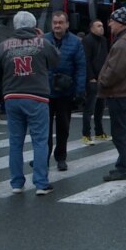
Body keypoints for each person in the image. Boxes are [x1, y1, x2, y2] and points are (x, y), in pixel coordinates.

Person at [0, 11, 59, 195]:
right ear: (34, 25)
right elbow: (55, 60)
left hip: (12, 96)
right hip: (37, 96)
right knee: (40, 141)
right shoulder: (42, 43)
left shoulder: (4, 46)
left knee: (15, 142)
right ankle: (41, 183)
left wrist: (6, 84)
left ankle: (16, 183)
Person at [99, 7, 126, 181]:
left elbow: (115, 70)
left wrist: (102, 82)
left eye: (112, 21)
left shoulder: (123, 42)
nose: (109, 25)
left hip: (119, 93)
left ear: (120, 22)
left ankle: (124, 167)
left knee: (120, 132)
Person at [44, 11, 87, 171]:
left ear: (67, 24)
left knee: (63, 127)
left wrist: (79, 90)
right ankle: (44, 157)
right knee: (44, 129)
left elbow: (81, 67)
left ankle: (61, 157)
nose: (57, 25)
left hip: (65, 92)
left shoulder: (75, 42)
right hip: (46, 91)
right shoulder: (44, 40)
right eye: (55, 22)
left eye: (60, 22)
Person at [81, 19, 110, 145]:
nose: (101, 28)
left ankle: (99, 132)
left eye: (102, 25)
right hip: (92, 79)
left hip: (102, 78)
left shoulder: (104, 40)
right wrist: (91, 77)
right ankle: (86, 135)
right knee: (89, 108)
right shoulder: (87, 40)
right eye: (98, 26)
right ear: (91, 28)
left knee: (100, 108)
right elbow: (86, 60)